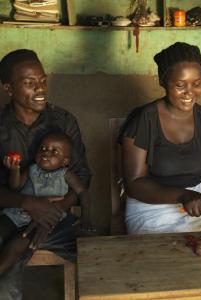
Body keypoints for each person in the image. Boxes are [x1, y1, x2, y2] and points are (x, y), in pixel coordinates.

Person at [119, 42, 201, 234]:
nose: (190, 92)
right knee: (169, 259)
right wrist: (184, 195)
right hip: (151, 209)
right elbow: (135, 184)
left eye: (196, 84)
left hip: (199, 205)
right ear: (164, 82)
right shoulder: (144, 120)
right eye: (180, 85)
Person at [0, 49, 91, 300]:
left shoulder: (62, 121)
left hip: (58, 219)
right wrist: (29, 204)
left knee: (99, 259)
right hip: (10, 220)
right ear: (9, 89)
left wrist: (53, 213)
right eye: (29, 83)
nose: (40, 89)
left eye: (42, 81)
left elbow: (82, 175)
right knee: (4, 278)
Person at [0, 130, 94, 275]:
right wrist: (14, 170)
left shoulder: (66, 175)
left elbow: (82, 192)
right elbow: (15, 187)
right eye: (43, 149)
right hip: (17, 213)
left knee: (17, 245)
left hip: (43, 221)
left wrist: (86, 217)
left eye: (54, 152)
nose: (46, 153)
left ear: (65, 161)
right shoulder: (31, 169)